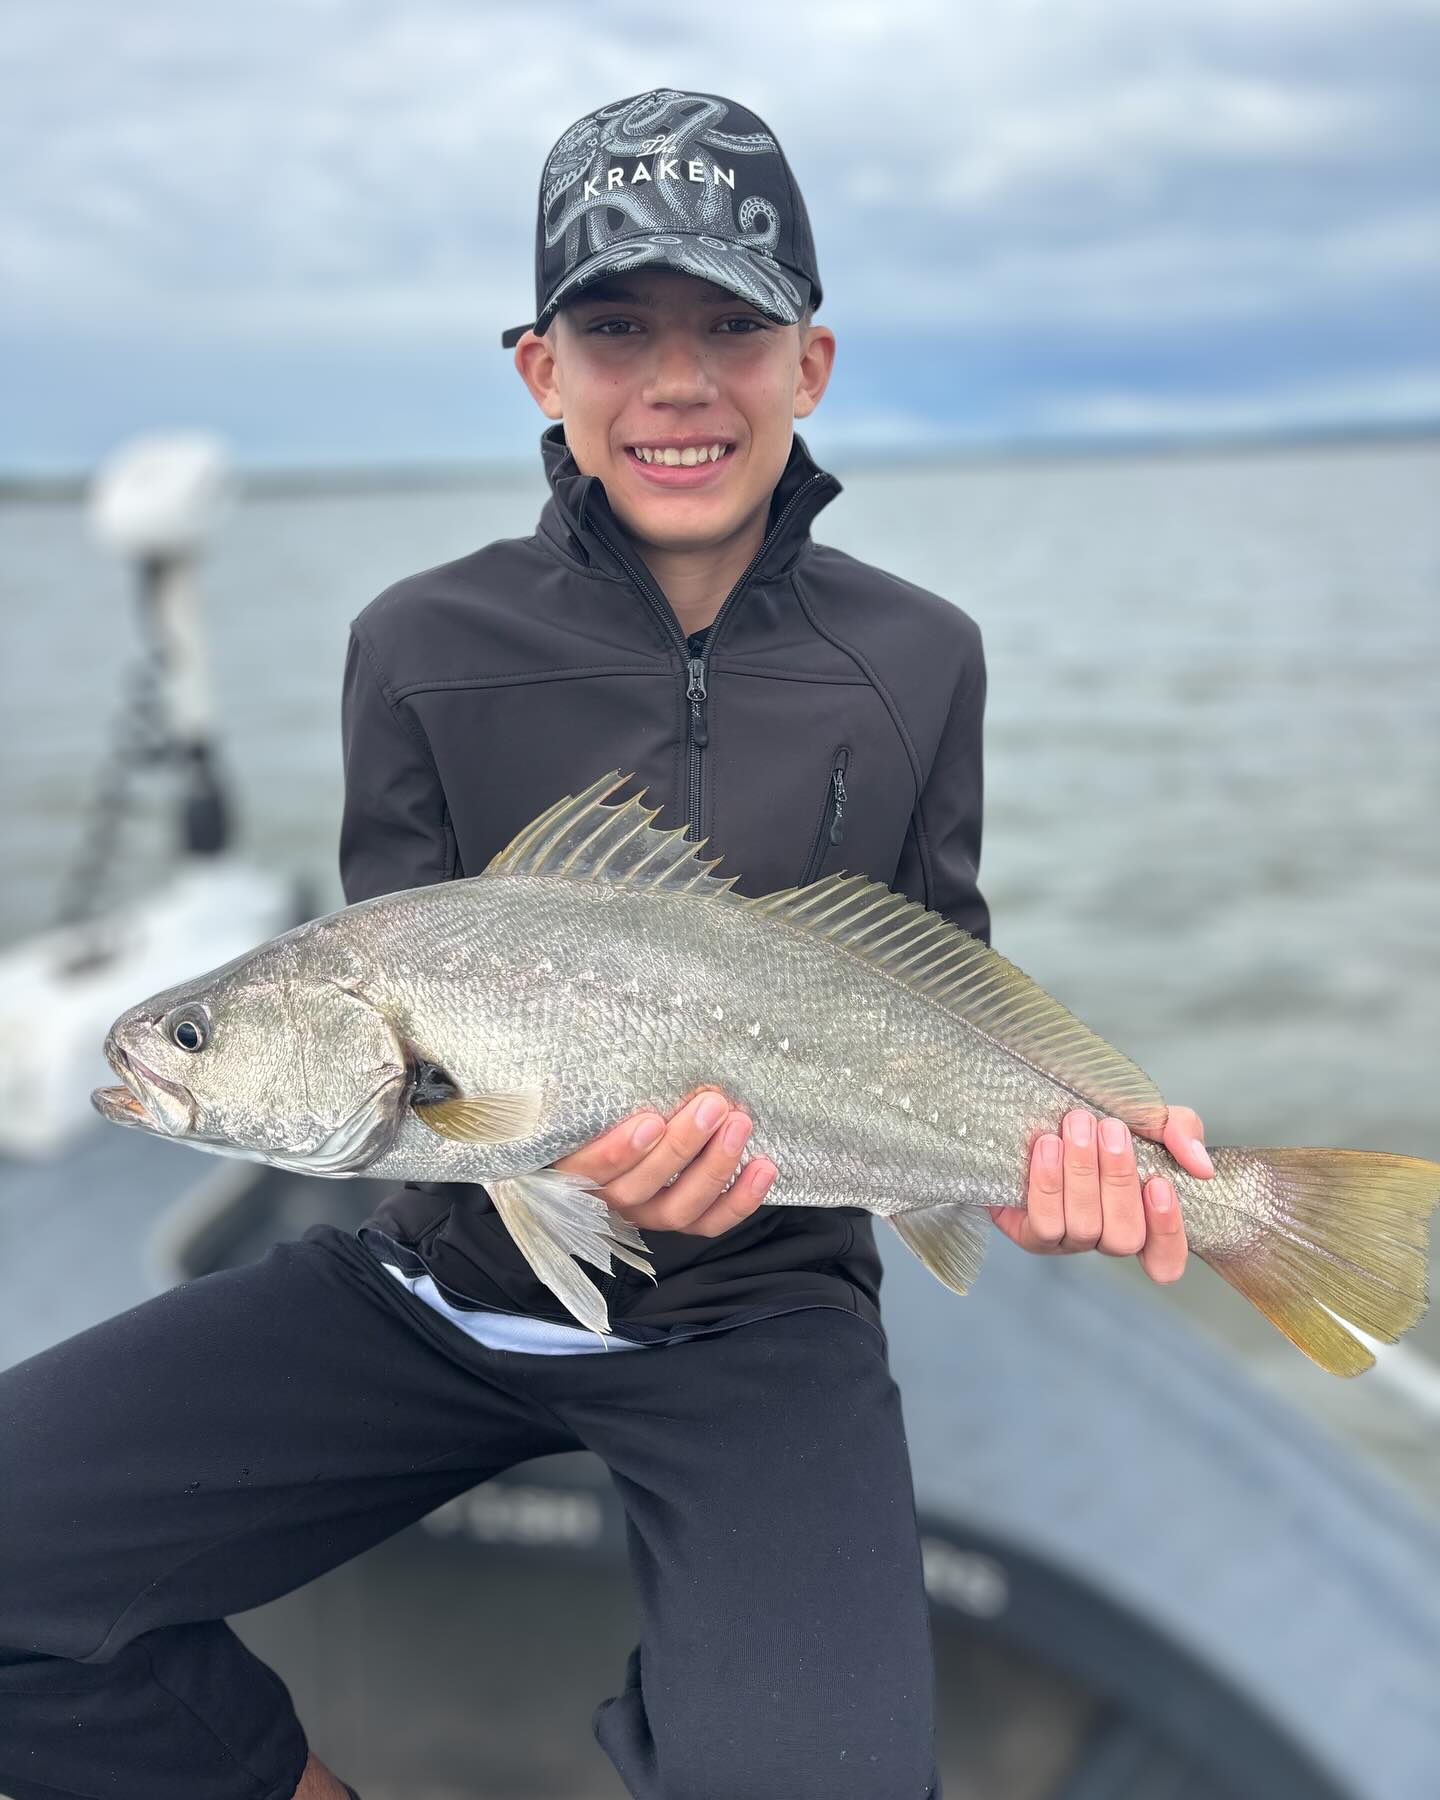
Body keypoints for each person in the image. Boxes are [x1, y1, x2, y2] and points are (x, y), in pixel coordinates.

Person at [0, 87, 1213, 1800]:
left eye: (735, 327)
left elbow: (932, 963)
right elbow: (408, 940)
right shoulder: (414, 642)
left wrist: (1050, 1149)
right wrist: (551, 1166)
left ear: (812, 363)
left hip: (764, 1316)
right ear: (539, 370)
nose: (678, 381)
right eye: (617, 328)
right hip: (444, 1285)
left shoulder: (922, 654)